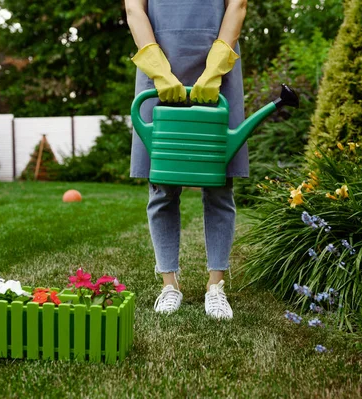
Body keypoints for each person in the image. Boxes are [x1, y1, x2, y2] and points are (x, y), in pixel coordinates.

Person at [125, 0, 248, 319]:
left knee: (219, 183)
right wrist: (158, 70)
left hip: (219, 60)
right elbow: (134, 10)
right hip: (158, 60)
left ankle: (216, 287)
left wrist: (215, 68)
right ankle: (169, 284)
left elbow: (238, 5)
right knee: (162, 184)